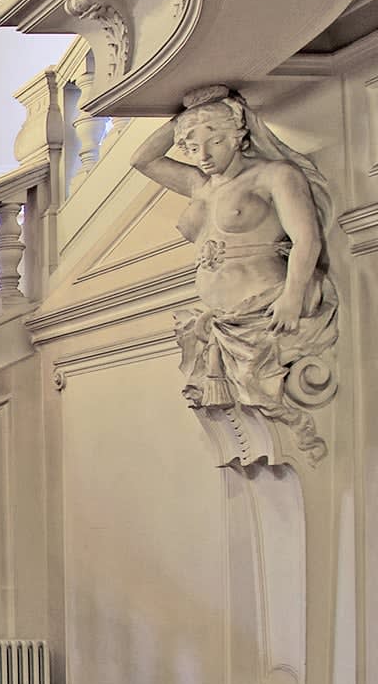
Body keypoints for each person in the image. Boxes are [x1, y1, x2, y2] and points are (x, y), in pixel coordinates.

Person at [130, 85, 338, 458]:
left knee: (275, 413)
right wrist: (186, 119)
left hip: (264, 311)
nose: (203, 156)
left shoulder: (274, 175)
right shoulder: (200, 185)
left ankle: (310, 443)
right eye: (193, 149)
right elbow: (142, 159)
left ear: (239, 135)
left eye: (214, 143)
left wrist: (292, 296)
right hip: (217, 323)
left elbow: (307, 240)